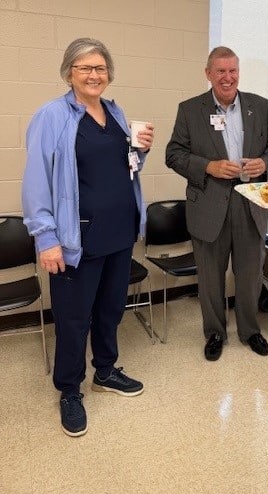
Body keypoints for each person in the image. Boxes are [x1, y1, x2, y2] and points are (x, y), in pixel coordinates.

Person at [22, 38, 154, 437]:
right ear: (69, 73)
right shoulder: (51, 116)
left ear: (109, 74)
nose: (94, 75)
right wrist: (46, 238)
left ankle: (106, 371)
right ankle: (69, 390)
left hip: (118, 234)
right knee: (73, 319)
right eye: (85, 68)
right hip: (75, 239)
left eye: (100, 68)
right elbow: (36, 182)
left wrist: (141, 151)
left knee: (112, 310)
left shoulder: (115, 112)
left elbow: (125, 165)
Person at [165, 46, 268, 361]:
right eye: (220, 71)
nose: (227, 78)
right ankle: (215, 332)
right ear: (208, 74)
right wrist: (209, 167)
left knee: (249, 275)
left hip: (250, 204)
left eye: (232, 71)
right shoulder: (190, 110)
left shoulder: (260, 106)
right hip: (208, 205)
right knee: (210, 278)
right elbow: (173, 154)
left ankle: (250, 330)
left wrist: (264, 163)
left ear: (238, 72)